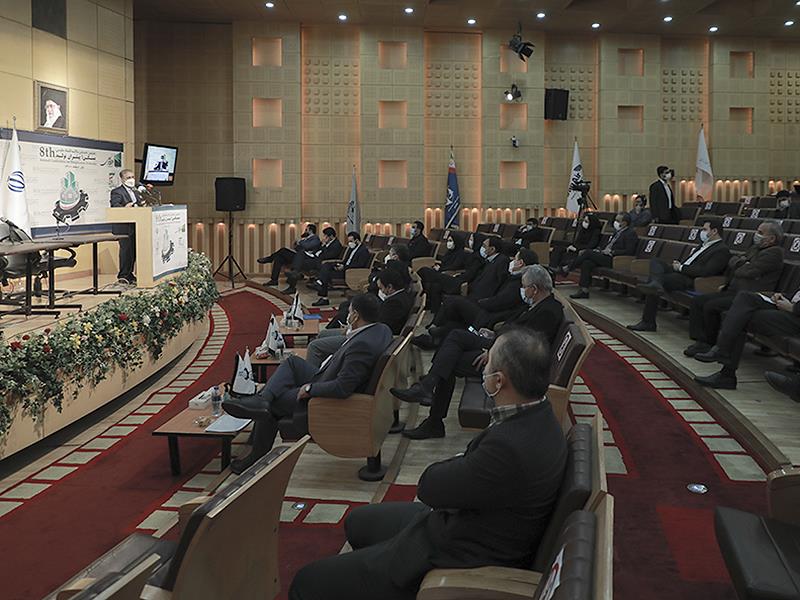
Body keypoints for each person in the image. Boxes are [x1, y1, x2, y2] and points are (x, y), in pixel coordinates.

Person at [289, 328, 568, 600]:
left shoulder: (508, 448)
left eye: (488, 361)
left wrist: (460, 463)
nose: (483, 366)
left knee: (306, 582)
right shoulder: (543, 418)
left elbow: (430, 486)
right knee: (357, 523)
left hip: (453, 549)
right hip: (469, 520)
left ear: (498, 381)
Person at [223, 294, 393, 473]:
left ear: (356, 316)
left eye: (350, 312)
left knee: (275, 402)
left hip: (325, 392)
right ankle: (262, 399)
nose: (347, 315)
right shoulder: (382, 329)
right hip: (326, 374)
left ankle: (256, 453)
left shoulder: (362, 345)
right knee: (291, 362)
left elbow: (343, 387)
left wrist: (311, 388)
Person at [392, 265, 563, 439]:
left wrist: (493, 350)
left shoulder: (548, 312)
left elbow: (529, 346)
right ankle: (429, 390)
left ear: (534, 289)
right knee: (456, 336)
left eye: (524, 286)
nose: (522, 290)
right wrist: (494, 335)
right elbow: (517, 331)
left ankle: (432, 411)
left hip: (512, 362)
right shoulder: (541, 305)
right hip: (503, 345)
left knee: (450, 362)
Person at [684, 221, 785, 357]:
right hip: (733, 290)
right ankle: (700, 340)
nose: (756, 235)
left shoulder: (775, 253)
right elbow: (732, 261)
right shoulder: (755, 248)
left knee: (711, 306)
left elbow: (748, 271)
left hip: (749, 296)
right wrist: (743, 263)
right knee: (698, 301)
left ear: (772, 238)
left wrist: (742, 264)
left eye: (760, 233)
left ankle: (708, 343)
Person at [414, 247, 539, 349]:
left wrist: (480, 302)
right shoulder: (513, 277)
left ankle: (435, 330)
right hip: (487, 309)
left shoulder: (519, 283)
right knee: (455, 320)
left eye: (515, 259)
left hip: (489, 315)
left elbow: (499, 302)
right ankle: (437, 336)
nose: (511, 262)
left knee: (452, 301)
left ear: (520, 263)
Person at [627, 218, 731, 332]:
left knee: (655, 282)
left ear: (714, 231)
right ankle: (656, 284)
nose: (702, 232)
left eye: (705, 229)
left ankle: (648, 322)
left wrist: (681, 268)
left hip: (690, 279)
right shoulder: (703, 245)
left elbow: (706, 271)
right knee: (656, 262)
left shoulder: (722, 250)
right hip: (681, 271)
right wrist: (679, 265)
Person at [691, 289, 800, 390]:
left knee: (743, 316)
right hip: (791, 307)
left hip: (796, 317)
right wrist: (781, 296)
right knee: (745, 297)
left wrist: (793, 308)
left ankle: (725, 367)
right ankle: (723, 355)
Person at [307, 269, 413, 368]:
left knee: (314, 346)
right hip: (365, 333)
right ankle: (326, 367)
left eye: (381, 288)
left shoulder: (396, 303)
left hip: (365, 339)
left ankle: (312, 376)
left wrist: (352, 329)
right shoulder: (400, 297)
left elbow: (379, 325)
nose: (381, 292)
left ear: (390, 287)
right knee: (323, 334)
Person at [569, 213, 638, 299]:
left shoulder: (630, 233)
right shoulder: (617, 232)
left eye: (617, 220)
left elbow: (629, 251)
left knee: (587, 252)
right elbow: (608, 245)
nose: (615, 222)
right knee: (587, 263)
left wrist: (613, 252)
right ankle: (584, 291)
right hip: (605, 255)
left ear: (624, 223)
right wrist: (600, 250)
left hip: (615, 259)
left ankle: (567, 268)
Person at [417, 236, 479, 311]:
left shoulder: (462, 254)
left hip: (452, 279)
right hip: (443, 276)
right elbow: (444, 264)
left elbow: (455, 267)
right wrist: (439, 267)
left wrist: (442, 269)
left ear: (456, 242)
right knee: (435, 286)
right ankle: (433, 309)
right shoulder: (449, 253)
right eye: (448, 241)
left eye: (450, 241)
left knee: (424, 270)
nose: (448, 243)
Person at [312, 231, 371, 306]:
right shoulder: (351, 248)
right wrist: (339, 265)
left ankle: (324, 296)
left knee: (326, 274)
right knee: (326, 265)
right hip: (344, 268)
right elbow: (345, 260)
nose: (349, 243)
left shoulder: (363, 251)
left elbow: (359, 265)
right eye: (349, 241)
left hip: (350, 272)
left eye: (351, 241)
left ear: (357, 240)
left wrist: (344, 267)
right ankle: (320, 282)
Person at [282, 227, 343, 294]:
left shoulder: (336, 245)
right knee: (301, 254)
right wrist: (318, 249)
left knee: (299, 263)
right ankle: (294, 273)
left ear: (331, 236)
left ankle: (293, 279)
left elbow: (329, 256)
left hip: (320, 263)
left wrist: (324, 246)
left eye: (325, 236)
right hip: (314, 258)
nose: (324, 237)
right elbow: (319, 250)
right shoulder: (328, 243)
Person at [109, 169, 142, 284]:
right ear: (122, 179)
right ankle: (123, 275)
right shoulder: (117, 192)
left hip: (137, 224)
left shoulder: (136, 191)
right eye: (128, 178)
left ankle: (130, 274)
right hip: (124, 227)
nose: (131, 179)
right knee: (126, 251)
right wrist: (125, 207)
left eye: (132, 177)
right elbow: (115, 205)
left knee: (133, 251)